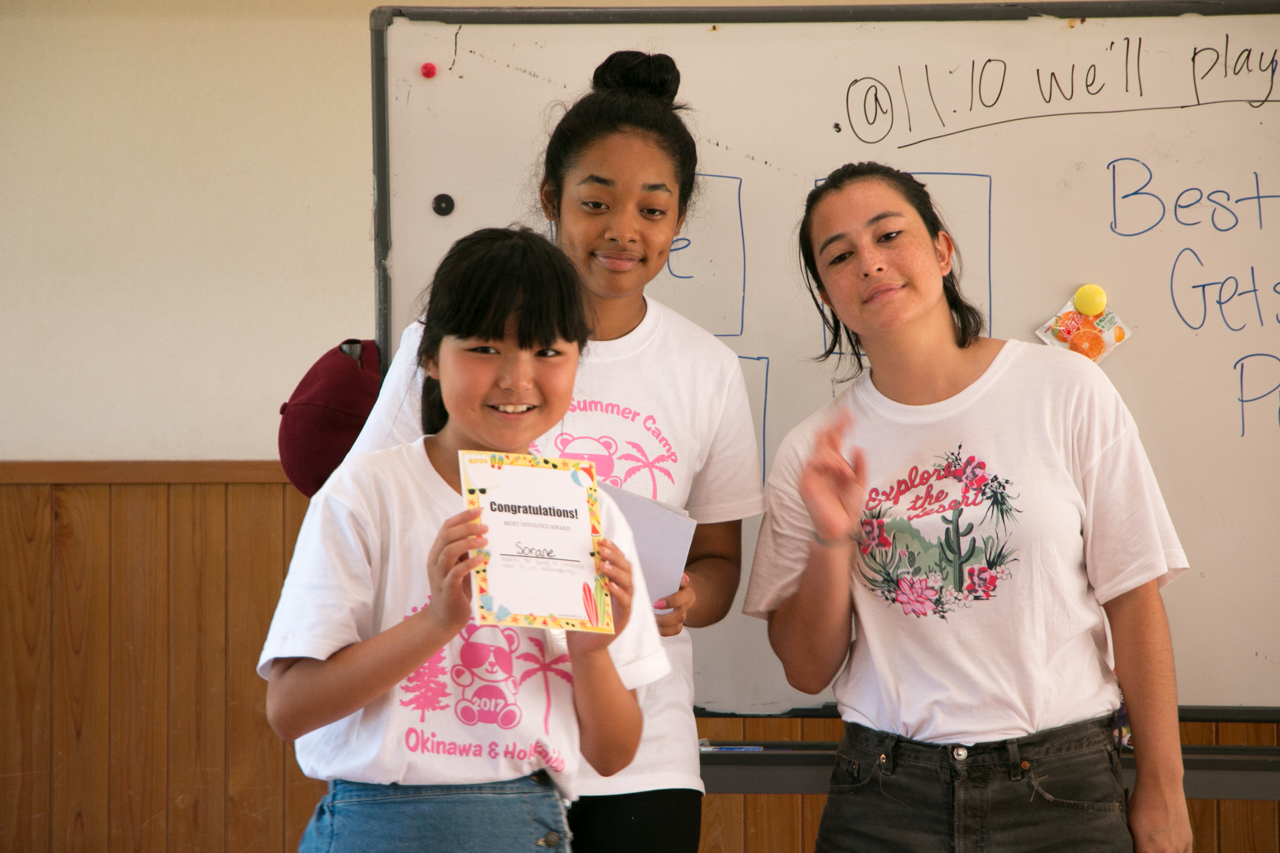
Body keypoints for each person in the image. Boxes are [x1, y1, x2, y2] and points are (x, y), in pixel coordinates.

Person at [351, 51, 764, 852]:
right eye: (595, 202)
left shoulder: (706, 368)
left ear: (678, 219)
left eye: (652, 209)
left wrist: (683, 601)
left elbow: (717, 563)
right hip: (474, 742)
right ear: (551, 198)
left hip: (641, 755)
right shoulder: (450, 344)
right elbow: (374, 507)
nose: (623, 230)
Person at [744, 162, 1193, 853]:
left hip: (1062, 789)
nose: (870, 263)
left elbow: (1134, 599)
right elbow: (806, 670)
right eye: (839, 255)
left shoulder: (1066, 388)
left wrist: (1163, 789)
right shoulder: (814, 450)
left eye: (889, 235)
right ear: (828, 293)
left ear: (942, 250)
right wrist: (834, 542)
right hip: (886, 796)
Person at [259, 227, 671, 853]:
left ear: (578, 358)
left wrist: (591, 653)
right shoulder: (365, 492)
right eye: (484, 348)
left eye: (548, 351)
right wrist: (437, 622)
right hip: (377, 824)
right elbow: (289, 710)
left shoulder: (591, 514)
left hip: (527, 821)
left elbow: (612, 756)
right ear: (430, 356)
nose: (516, 379)